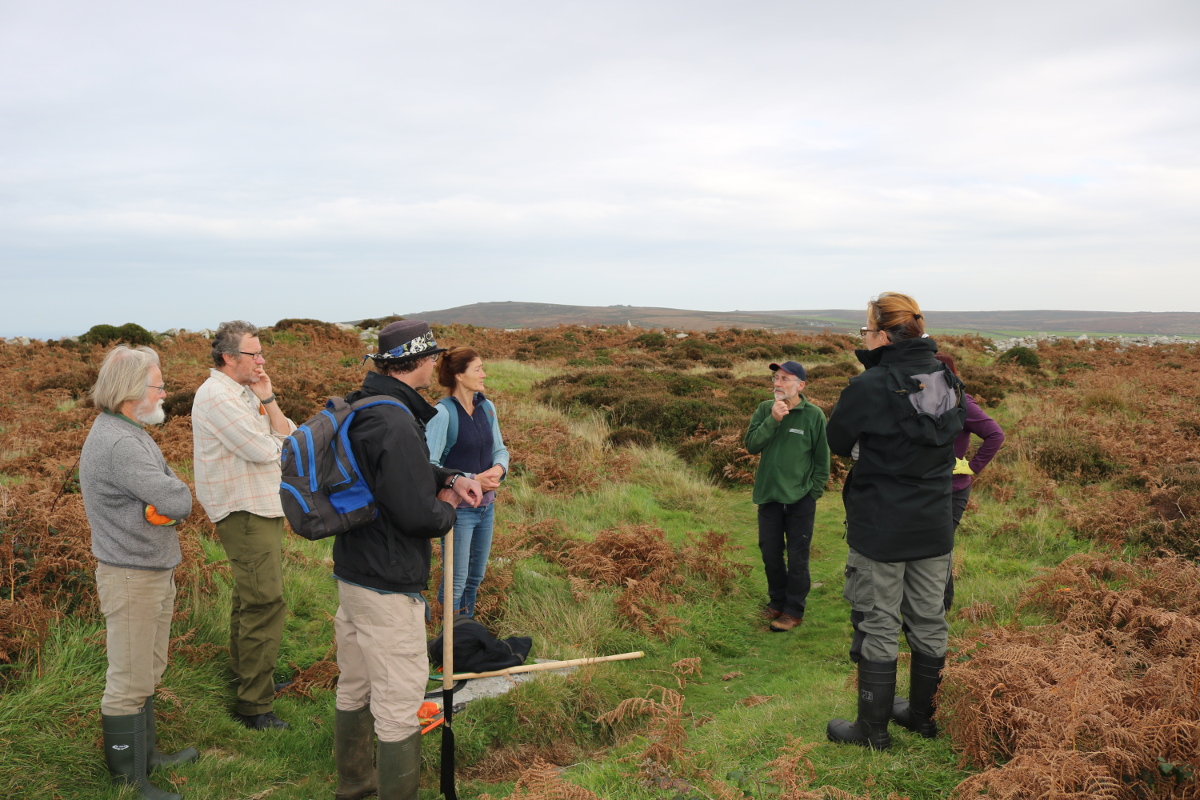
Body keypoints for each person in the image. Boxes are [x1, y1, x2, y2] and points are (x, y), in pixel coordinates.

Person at [332, 320, 482, 800]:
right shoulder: (396, 420)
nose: (436, 363)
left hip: (354, 571)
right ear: (420, 361)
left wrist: (450, 474)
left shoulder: (367, 404)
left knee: (354, 686)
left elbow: (394, 473)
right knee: (398, 702)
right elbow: (419, 514)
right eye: (432, 356)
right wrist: (450, 507)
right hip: (388, 582)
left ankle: (354, 788)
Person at [824, 293, 965, 750]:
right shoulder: (946, 376)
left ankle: (872, 730)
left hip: (881, 526)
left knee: (878, 620)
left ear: (883, 335)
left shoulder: (869, 386)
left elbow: (837, 440)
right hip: (934, 523)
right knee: (929, 618)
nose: (864, 339)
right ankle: (922, 716)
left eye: (866, 332)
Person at [81, 346, 198, 800]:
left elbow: (168, 493)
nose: (166, 391)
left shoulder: (127, 431)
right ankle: (131, 783)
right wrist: (168, 501)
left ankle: (147, 758)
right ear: (132, 392)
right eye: (158, 384)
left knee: (147, 668)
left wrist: (165, 499)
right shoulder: (121, 442)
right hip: (131, 576)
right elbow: (178, 500)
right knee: (129, 680)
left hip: (145, 569)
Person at [192, 320, 296, 730]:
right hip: (243, 511)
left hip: (259, 506)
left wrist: (268, 398)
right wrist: (278, 442)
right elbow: (264, 448)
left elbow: (287, 433)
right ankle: (254, 705)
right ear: (228, 358)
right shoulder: (216, 396)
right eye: (254, 354)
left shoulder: (241, 393)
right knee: (264, 601)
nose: (262, 360)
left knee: (249, 597)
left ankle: (251, 676)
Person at [744, 360, 830, 633]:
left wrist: (812, 492)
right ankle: (776, 602)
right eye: (776, 378)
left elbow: (821, 460)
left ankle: (793, 610)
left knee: (797, 556)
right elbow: (751, 445)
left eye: (785, 379)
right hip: (768, 495)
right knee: (770, 553)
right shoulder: (764, 410)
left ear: (800, 385)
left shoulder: (814, 415)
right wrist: (773, 419)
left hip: (800, 499)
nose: (778, 384)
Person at [424, 346, 510, 617]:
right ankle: (445, 643)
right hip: (459, 512)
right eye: (478, 369)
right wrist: (472, 479)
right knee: (456, 582)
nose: (484, 374)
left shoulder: (487, 407)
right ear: (459, 376)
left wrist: (499, 468)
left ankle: (465, 636)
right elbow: (430, 465)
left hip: (486, 508)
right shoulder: (442, 413)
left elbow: (500, 448)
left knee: (475, 578)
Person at [934, 351, 1006, 610]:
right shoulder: (923, 402)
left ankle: (943, 606)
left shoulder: (962, 403)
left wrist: (972, 466)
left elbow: (995, 435)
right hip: (926, 489)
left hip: (953, 490)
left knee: (940, 548)